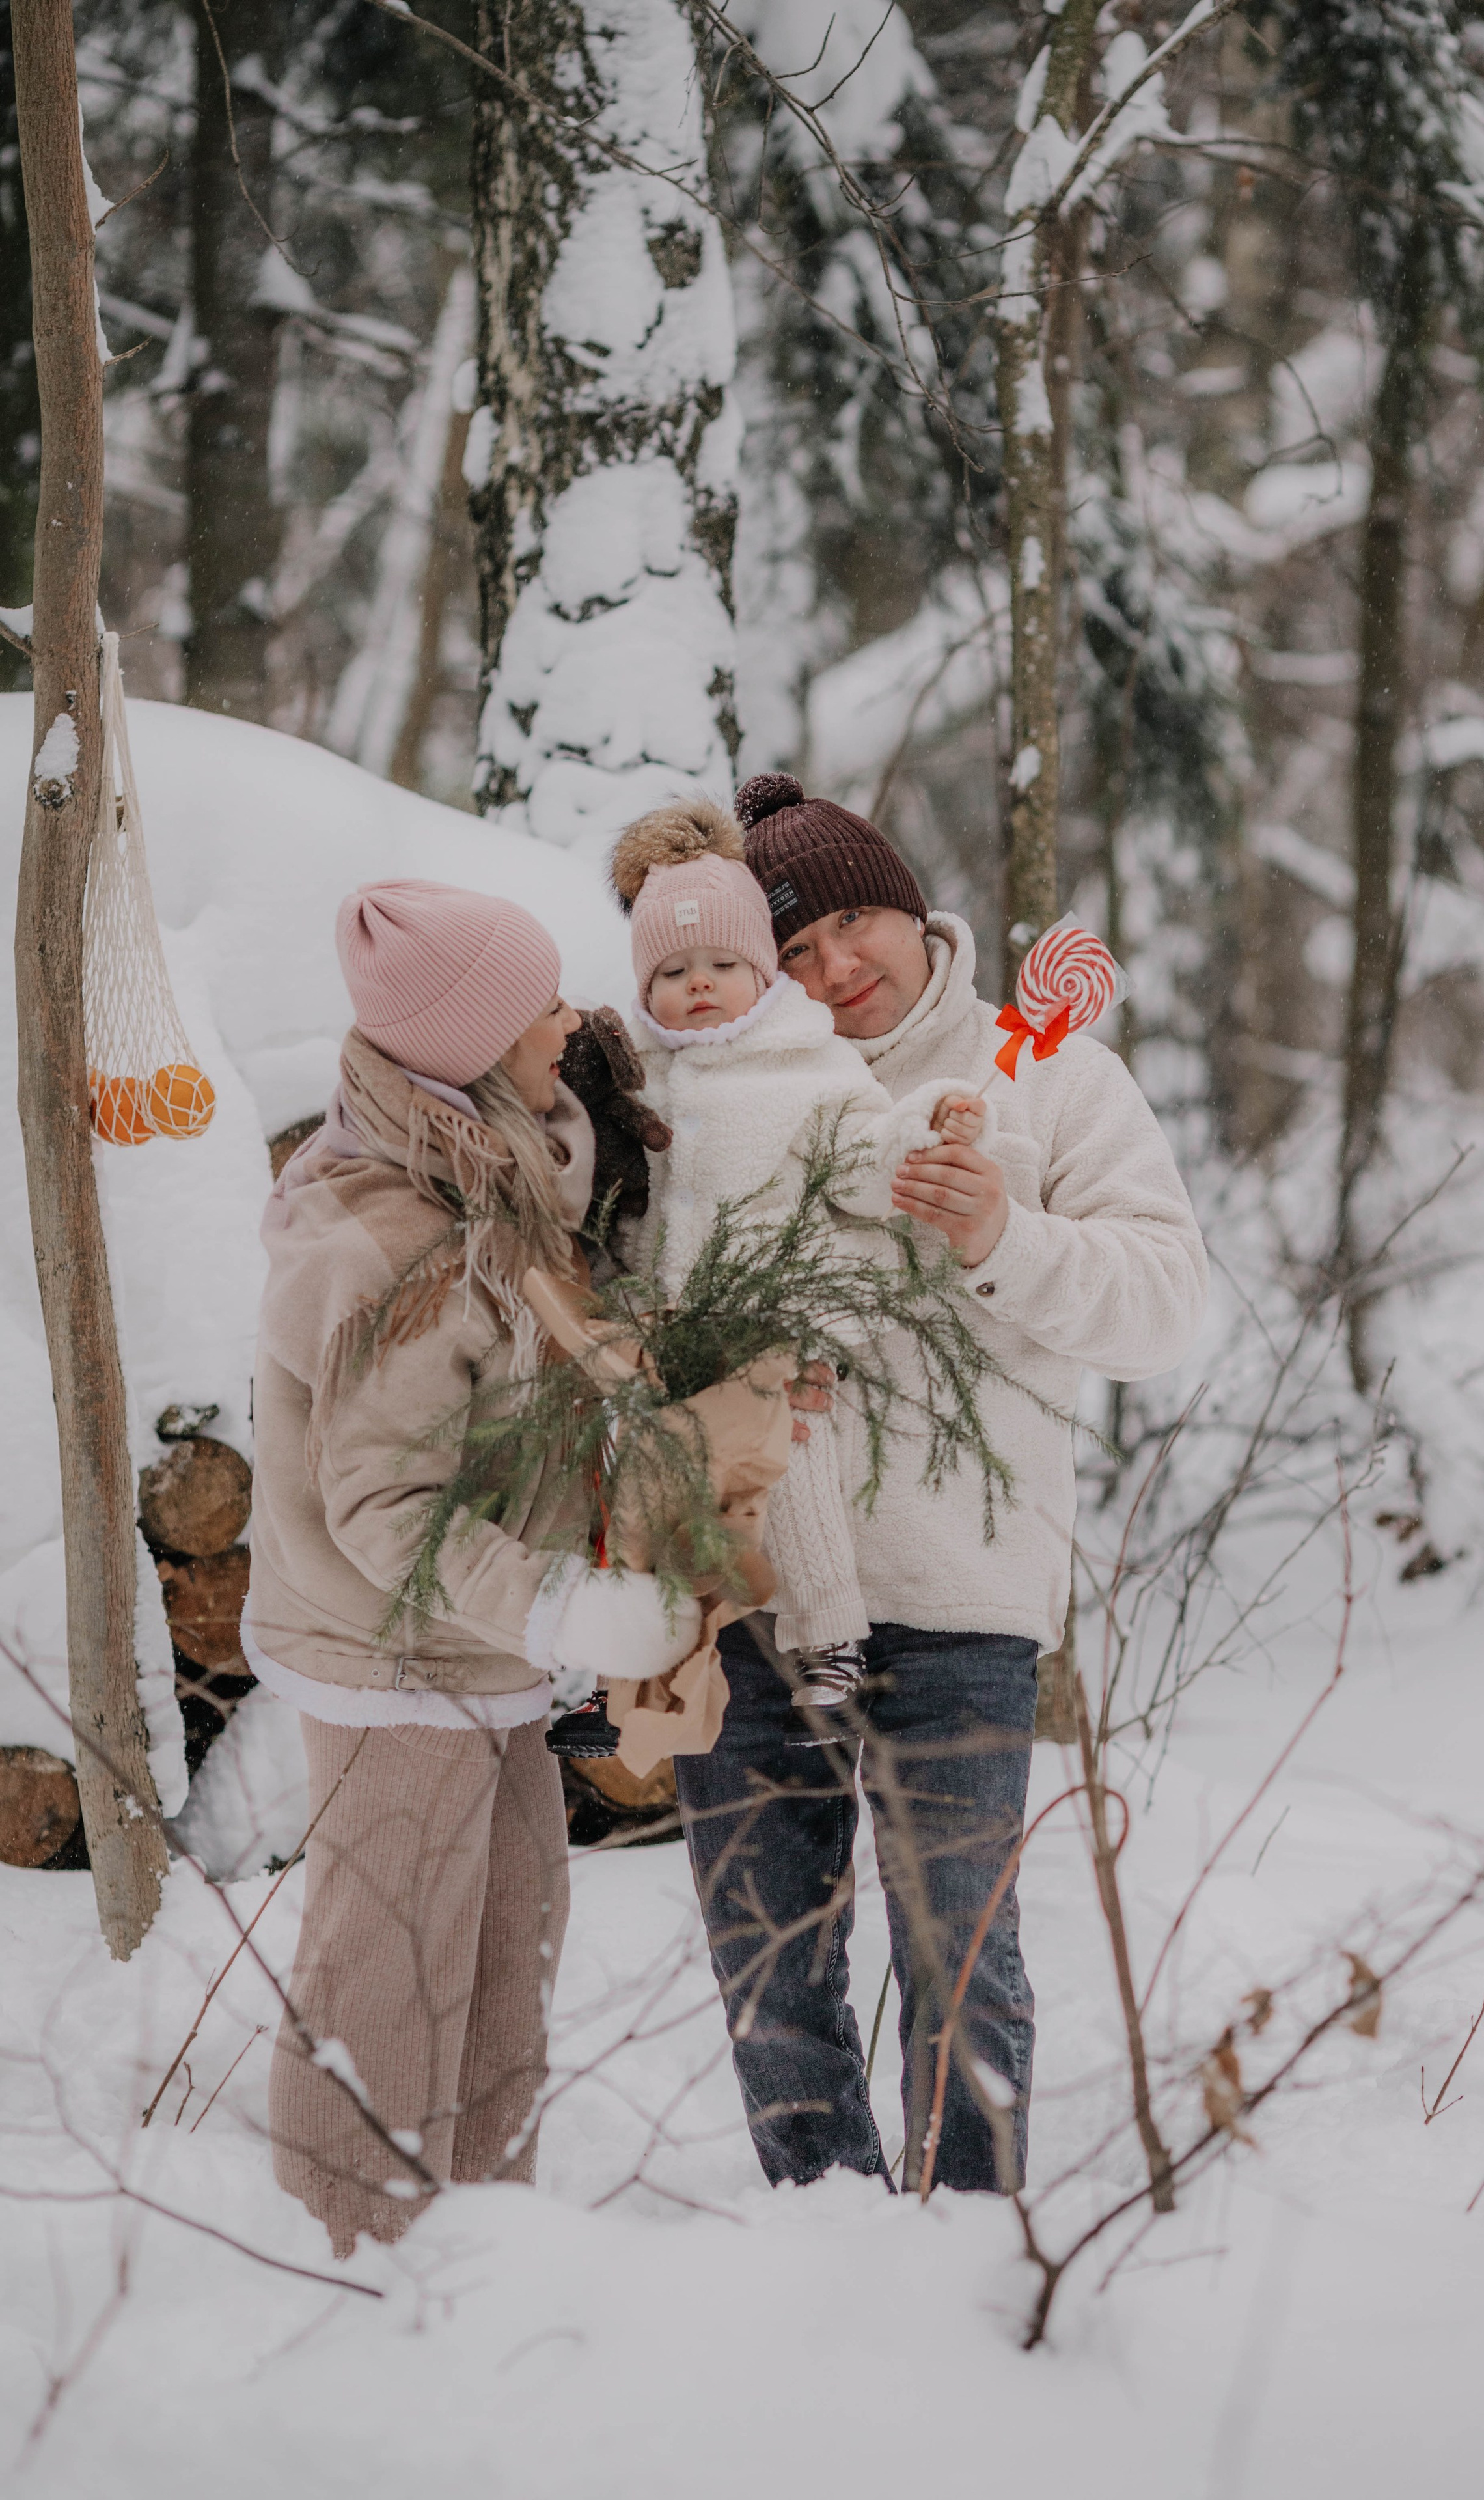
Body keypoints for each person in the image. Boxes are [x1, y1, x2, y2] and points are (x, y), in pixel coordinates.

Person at [675, 777, 1209, 2195]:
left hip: (959, 1600)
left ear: (914, 910)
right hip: (758, 1590)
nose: (836, 966)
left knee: (959, 1948)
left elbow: (1168, 1306)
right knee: (768, 1957)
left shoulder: (1042, 1074)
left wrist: (1002, 1234)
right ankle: (821, 2223)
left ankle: (970, 2233)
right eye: (793, 951)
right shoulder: (718, 1080)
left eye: (856, 921)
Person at [246, 878, 703, 2255]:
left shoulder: (510, 1171)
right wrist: (560, 1598)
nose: (568, 1021)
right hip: (396, 1654)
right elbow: (387, 1507)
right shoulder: (386, 1236)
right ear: (463, 1040)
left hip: (482, 1651)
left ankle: (488, 2252)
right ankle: (350, 2252)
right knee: (382, 1975)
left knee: (510, 1950)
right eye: (537, 1004)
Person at [605, 795, 987, 1729]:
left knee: (797, 1470)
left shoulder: (809, 1067)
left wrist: (921, 1127)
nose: (701, 987)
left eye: (726, 966)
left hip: (778, 1333)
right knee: (645, 1495)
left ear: (763, 980)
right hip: (670, 1342)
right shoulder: (636, 1075)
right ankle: (628, 1668)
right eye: (675, 972)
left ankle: (829, 1631)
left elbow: (862, 1158)